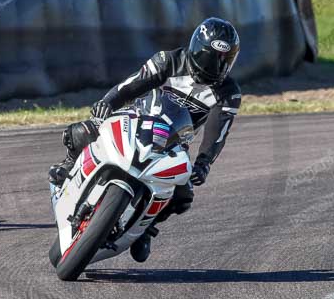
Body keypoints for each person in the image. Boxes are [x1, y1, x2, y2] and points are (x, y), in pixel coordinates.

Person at [48, 17, 242, 262]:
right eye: (212, 58)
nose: (218, 66)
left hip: (173, 142)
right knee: (84, 131)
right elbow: (131, 84)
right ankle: (69, 165)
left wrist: (204, 163)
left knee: (183, 195)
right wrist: (107, 103)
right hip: (136, 119)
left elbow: (217, 133)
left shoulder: (229, 92)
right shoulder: (168, 60)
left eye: (225, 60)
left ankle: (145, 229)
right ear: (196, 49)